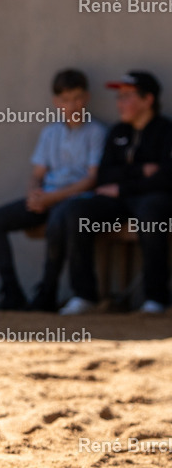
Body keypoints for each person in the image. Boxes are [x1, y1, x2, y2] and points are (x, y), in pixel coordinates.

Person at [0, 69, 106, 311]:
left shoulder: (97, 132)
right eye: (66, 100)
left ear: (87, 98)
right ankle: (11, 291)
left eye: (78, 98)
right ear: (56, 102)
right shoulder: (50, 133)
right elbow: (37, 174)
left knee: (61, 217)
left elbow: (92, 180)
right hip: (48, 199)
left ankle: (47, 291)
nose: (73, 105)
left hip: (76, 202)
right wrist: (34, 195)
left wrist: (52, 198)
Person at [56, 71, 172, 315]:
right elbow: (104, 175)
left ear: (148, 99)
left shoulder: (166, 131)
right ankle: (84, 295)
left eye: (126, 97)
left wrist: (124, 184)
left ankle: (156, 298)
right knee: (76, 211)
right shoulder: (117, 131)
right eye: (118, 97)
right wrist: (140, 170)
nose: (120, 103)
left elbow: (166, 178)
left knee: (152, 215)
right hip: (118, 200)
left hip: (151, 200)